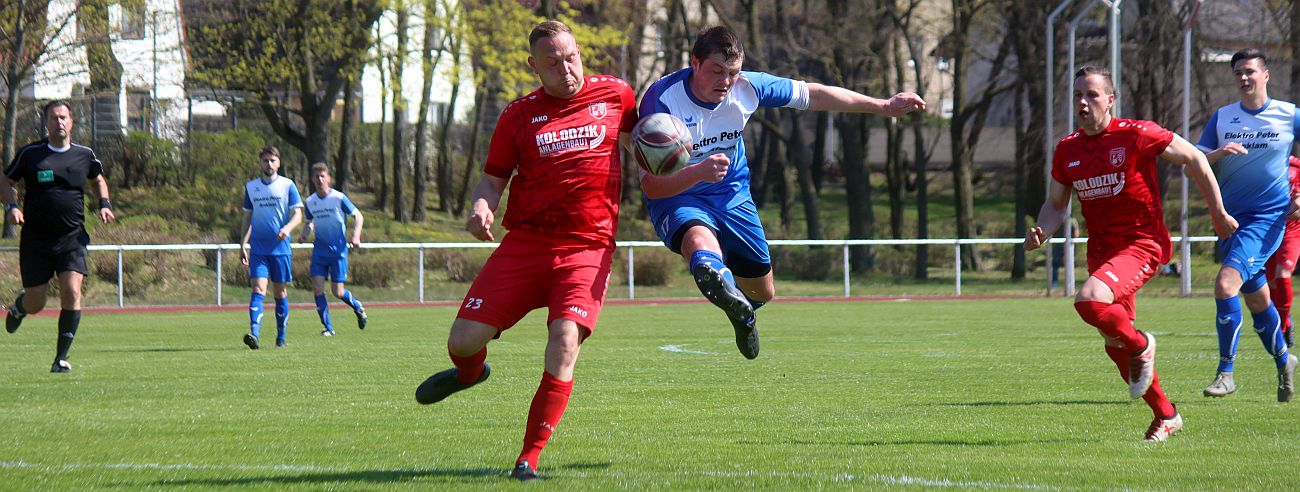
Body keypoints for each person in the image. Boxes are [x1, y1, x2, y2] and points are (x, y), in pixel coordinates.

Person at [412, 20, 637, 482]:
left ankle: (528, 457)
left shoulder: (617, 95)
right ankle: (471, 373)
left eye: (571, 57)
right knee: (462, 343)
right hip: (527, 244)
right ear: (534, 66)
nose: (566, 69)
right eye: (552, 63)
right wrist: (481, 208)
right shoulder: (517, 115)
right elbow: (492, 179)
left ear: (580, 52)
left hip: (587, 246)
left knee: (564, 339)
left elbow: (649, 143)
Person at [637, 26, 925, 359]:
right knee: (699, 243)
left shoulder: (748, 87)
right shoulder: (662, 100)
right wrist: (697, 172)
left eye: (732, 72)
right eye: (716, 71)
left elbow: (813, 95)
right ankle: (713, 273)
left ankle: (742, 311)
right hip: (679, 195)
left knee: (763, 291)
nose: (726, 81)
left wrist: (883, 105)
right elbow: (651, 185)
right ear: (695, 63)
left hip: (731, 194)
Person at [1026, 66, 1236, 441]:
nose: (1083, 102)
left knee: (1090, 302)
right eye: (1077, 95)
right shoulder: (1067, 148)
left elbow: (1195, 158)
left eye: (1091, 95)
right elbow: (1056, 205)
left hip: (1141, 242)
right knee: (1114, 346)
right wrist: (1043, 229)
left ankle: (1144, 343)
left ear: (1110, 99)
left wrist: (1218, 213)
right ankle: (1166, 415)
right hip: (1102, 249)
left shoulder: (1137, 134)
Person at [1196, 49, 1298, 402]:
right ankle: (1285, 360)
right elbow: (1192, 163)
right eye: (1238, 72)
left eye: (1250, 71)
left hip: (1267, 219)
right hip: (1229, 222)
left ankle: (1226, 373)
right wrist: (1220, 154)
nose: (1244, 77)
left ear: (1266, 75)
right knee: (1257, 299)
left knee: (1226, 285)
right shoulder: (1223, 118)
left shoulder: (1289, 115)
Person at [3, 100, 116, 373]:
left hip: (72, 238)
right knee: (36, 302)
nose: (59, 122)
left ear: (72, 121)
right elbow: (6, 181)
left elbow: (97, 179)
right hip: (36, 240)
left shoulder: (84, 154)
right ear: (47, 123)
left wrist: (104, 204)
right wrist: (12, 207)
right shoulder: (31, 154)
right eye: (54, 118)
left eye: (63, 117)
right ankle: (20, 306)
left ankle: (61, 358)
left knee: (72, 292)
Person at [239, 145, 303, 350]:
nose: (268, 164)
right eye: (265, 160)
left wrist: (287, 228)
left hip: (281, 249)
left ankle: (281, 338)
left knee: (279, 293)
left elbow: (298, 215)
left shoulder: (288, 186)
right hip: (259, 250)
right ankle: (254, 334)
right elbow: (247, 218)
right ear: (260, 163)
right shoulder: (251, 187)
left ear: (279, 163)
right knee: (258, 289)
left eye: (272, 160)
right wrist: (242, 243)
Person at [297, 163, 367, 336]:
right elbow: (309, 222)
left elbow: (358, 216)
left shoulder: (338, 198)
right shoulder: (310, 201)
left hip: (338, 251)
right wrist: (304, 235)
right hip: (320, 251)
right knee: (317, 288)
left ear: (328, 178)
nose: (320, 179)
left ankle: (357, 307)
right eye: (317, 176)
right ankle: (328, 327)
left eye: (323, 176)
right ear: (312, 179)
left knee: (338, 291)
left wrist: (356, 235)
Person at [1263, 156, 1300, 350]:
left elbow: (1297, 208)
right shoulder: (1263, 165)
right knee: (1269, 282)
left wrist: (1293, 207)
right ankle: (1283, 319)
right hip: (1268, 230)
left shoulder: (1296, 167)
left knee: (1282, 274)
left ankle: (1283, 327)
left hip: (1292, 231)